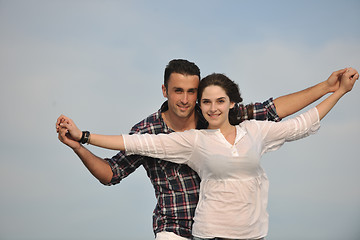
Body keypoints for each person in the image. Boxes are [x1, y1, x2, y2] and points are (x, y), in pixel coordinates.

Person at [56, 59, 356, 240]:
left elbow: (272, 111)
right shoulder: (147, 131)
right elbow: (110, 173)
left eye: (191, 92)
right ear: (165, 91)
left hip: (225, 227)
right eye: (178, 91)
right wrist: (78, 143)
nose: (185, 100)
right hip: (174, 226)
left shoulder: (215, 116)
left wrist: (327, 87)